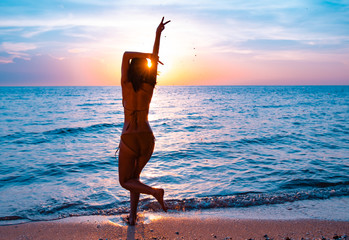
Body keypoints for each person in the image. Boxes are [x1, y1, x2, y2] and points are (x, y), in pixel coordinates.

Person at [118, 17, 170, 225]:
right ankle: (132, 217)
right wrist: (157, 35)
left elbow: (125, 55)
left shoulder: (125, 84)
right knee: (134, 179)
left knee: (125, 181)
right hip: (147, 137)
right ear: (146, 70)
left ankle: (154, 191)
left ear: (130, 70)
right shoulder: (149, 84)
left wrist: (147, 55)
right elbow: (155, 57)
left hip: (130, 137)